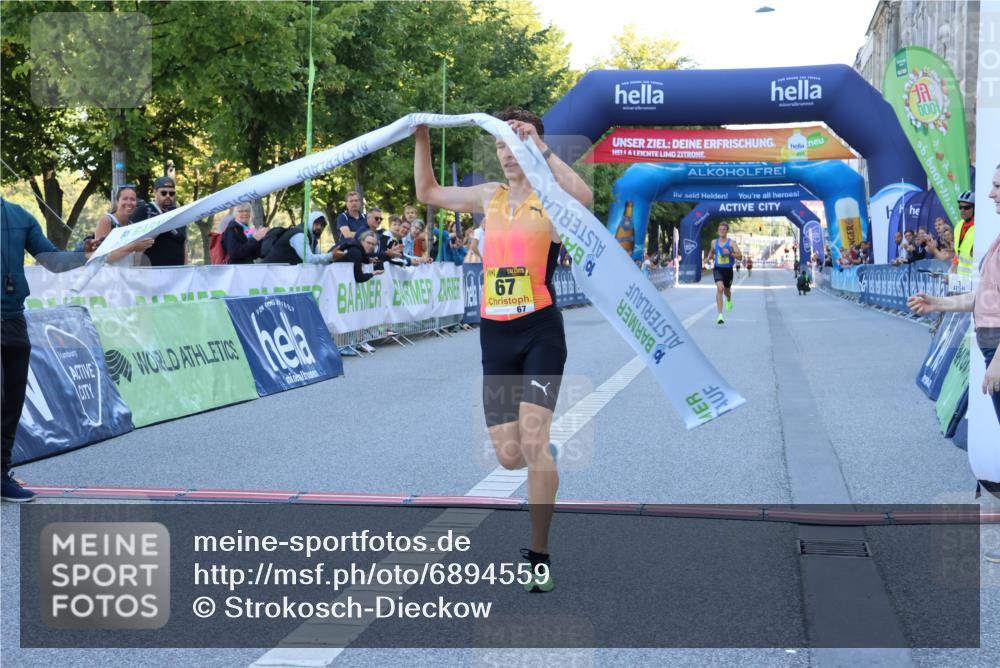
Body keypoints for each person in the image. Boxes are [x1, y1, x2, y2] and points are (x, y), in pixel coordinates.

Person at [414, 106, 592, 592]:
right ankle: (542, 456)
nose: (507, 154)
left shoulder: (550, 199)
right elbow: (427, 193)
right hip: (495, 335)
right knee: (509, 457)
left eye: (516, 143)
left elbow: (585, 195)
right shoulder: (488, 196)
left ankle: (539, 554)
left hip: (539, 330)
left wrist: (541, 146)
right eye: (500, 144)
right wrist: (422, 136)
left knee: (534, 446)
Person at [908, 167, 1000, 548]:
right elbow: (985, 299)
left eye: (997, 185)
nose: (990, 193)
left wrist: (998, 361)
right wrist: (938, 304)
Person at [1, 198, 100, 502]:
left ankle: (1, 474)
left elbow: (53, 261)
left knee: (12, 403)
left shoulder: (18, 215)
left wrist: (84, 252)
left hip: (15, 320)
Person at [129, 176, 187, 265]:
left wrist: (186, 267)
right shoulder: (143, 211)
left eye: (171, 193)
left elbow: (184, 243)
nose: (168, 196)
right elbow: (132, 243)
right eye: (163, 193)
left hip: (177, 272)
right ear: (155, 192)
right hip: (152, 271)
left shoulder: (178, 213)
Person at [94, 185, 155, 265]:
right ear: (117, 201)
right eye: (125, 199)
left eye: (132, 199)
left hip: (127, 275)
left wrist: (141, 248)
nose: (129, 203)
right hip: (108, 276)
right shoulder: (107, 221)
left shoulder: (132, 225)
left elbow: (134, 262)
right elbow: (101, 258)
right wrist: (133, 246)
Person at [261, 211, 345, 265]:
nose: (319, 227)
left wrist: (335, 257)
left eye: (322, 225)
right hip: (267, 273)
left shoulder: (313, 238)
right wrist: (331, 256)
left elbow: (319, 258)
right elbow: (309, 259)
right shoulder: (300, 236)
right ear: (310, 221)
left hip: (281, 274)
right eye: (317, 223)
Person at [711, 222, 742, 325]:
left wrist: (730, 253)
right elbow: (712, 252)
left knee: (727, 291)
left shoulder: (732, 243)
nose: (722, 231)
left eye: (724, 229)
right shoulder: (713, 242)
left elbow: (740, 257)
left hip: (728, 270)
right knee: (720, 288)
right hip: (718, 269)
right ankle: (720, 315)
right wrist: (707, 258)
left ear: (727, 231)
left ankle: (728, 299)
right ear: (717, 230)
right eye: (720, 229)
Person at [955, 190, 976, 278]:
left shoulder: (980, 228)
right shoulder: (958, 226)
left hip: (975, 278)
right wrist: (951, 271)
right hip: (961, 279)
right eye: (960, 207)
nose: (962, 210)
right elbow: (958, 254)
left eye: (966, 207)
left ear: (975, 208)